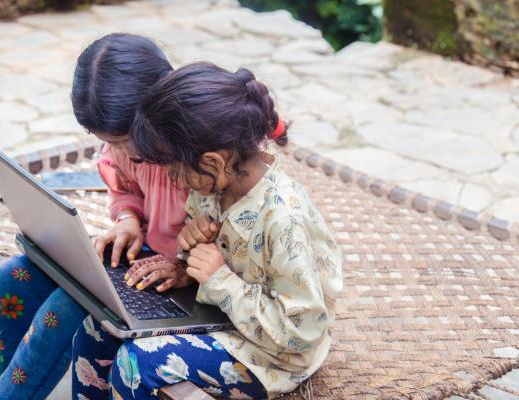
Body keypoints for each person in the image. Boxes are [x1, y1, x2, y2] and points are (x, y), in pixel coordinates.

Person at [71, 62, 343, 399]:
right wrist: (186, 266)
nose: (171, 180)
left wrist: (218, 279)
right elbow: (218, 260)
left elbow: (303, 331)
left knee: (137, 363)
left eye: (172, 169)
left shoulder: (284, 219)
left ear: (212, 162)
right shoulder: (212, 190)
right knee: (95, 330)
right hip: (224, 319)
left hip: (272, 356)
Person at [0, 33, 197, 399]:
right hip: (143, 263)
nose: (120, 153)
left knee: (69, 305)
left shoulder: (204, 153)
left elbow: (238, 240)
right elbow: (125, 187)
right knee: (12, 276)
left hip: (191, 287)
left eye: (123, 140)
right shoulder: (130, 145)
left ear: (158, 108)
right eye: (108, 142)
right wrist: (129, 218)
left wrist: (183, 267)